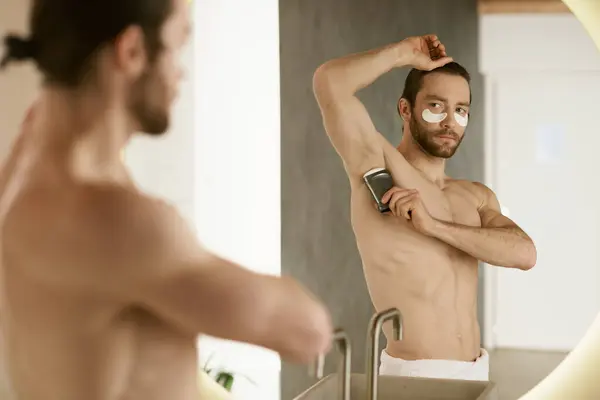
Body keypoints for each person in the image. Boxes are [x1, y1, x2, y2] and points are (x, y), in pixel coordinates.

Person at [0, 1, 333, 399]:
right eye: (177, 44)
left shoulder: (19, 187)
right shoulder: (118, 221)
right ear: (132, 51)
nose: (181, 71)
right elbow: (306, 332)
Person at [313, 34, 537, 381]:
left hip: (476, 371)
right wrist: (403, 53)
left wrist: (434, 227)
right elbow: (329, 84)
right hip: (415, 376)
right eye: (436, 106)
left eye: (461, 110)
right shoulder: (379, 164)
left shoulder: (475, 195)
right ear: (406, 109)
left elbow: (524, 254)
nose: (450, 121)